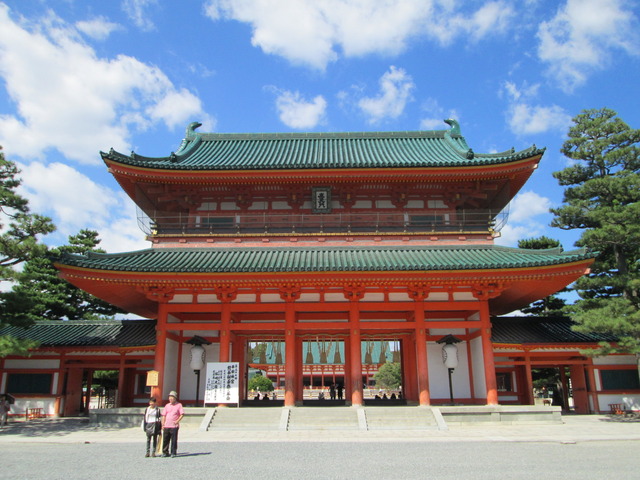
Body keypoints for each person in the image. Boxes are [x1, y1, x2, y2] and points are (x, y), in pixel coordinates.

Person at [161, 391, 184, 458]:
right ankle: (165, 452)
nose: (170, 399)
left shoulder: (179, 405)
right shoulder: (167, 405)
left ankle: (173, 452)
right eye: (169, 397)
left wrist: (177, 421)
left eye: (172, 397)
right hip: (166, 425)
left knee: (174, 440)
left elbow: (182, 414)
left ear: (175, 398)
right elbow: (164, 415)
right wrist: (163, 423)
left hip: (174, 425)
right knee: (165, 439)